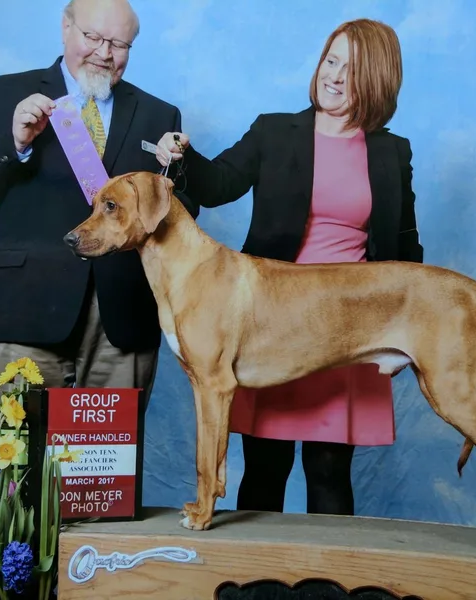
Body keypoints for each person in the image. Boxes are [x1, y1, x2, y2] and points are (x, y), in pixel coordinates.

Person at [155, 19, 423, 516]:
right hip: (269, 323)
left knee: (329, 471)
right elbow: (216, 186)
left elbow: (406, 246)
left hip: (350, 325)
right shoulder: (274, 131)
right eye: (331, 60)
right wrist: (183, 157)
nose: (335, 76)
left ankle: (334, 590)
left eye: (353, 68)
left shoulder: (392, 151)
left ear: (379, 81)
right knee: (264, 468)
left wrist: (407, 327)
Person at [0, 0, 198, 404]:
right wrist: (14, 142)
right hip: (28, 305)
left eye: (119, 44)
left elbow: (182, 216)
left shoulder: (159, 115)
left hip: (124, 313)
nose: (104, 53)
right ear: (66, 28)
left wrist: (179, 171)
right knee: (23, 459)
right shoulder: (2, 93)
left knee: (112, 462)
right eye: (93, 37)